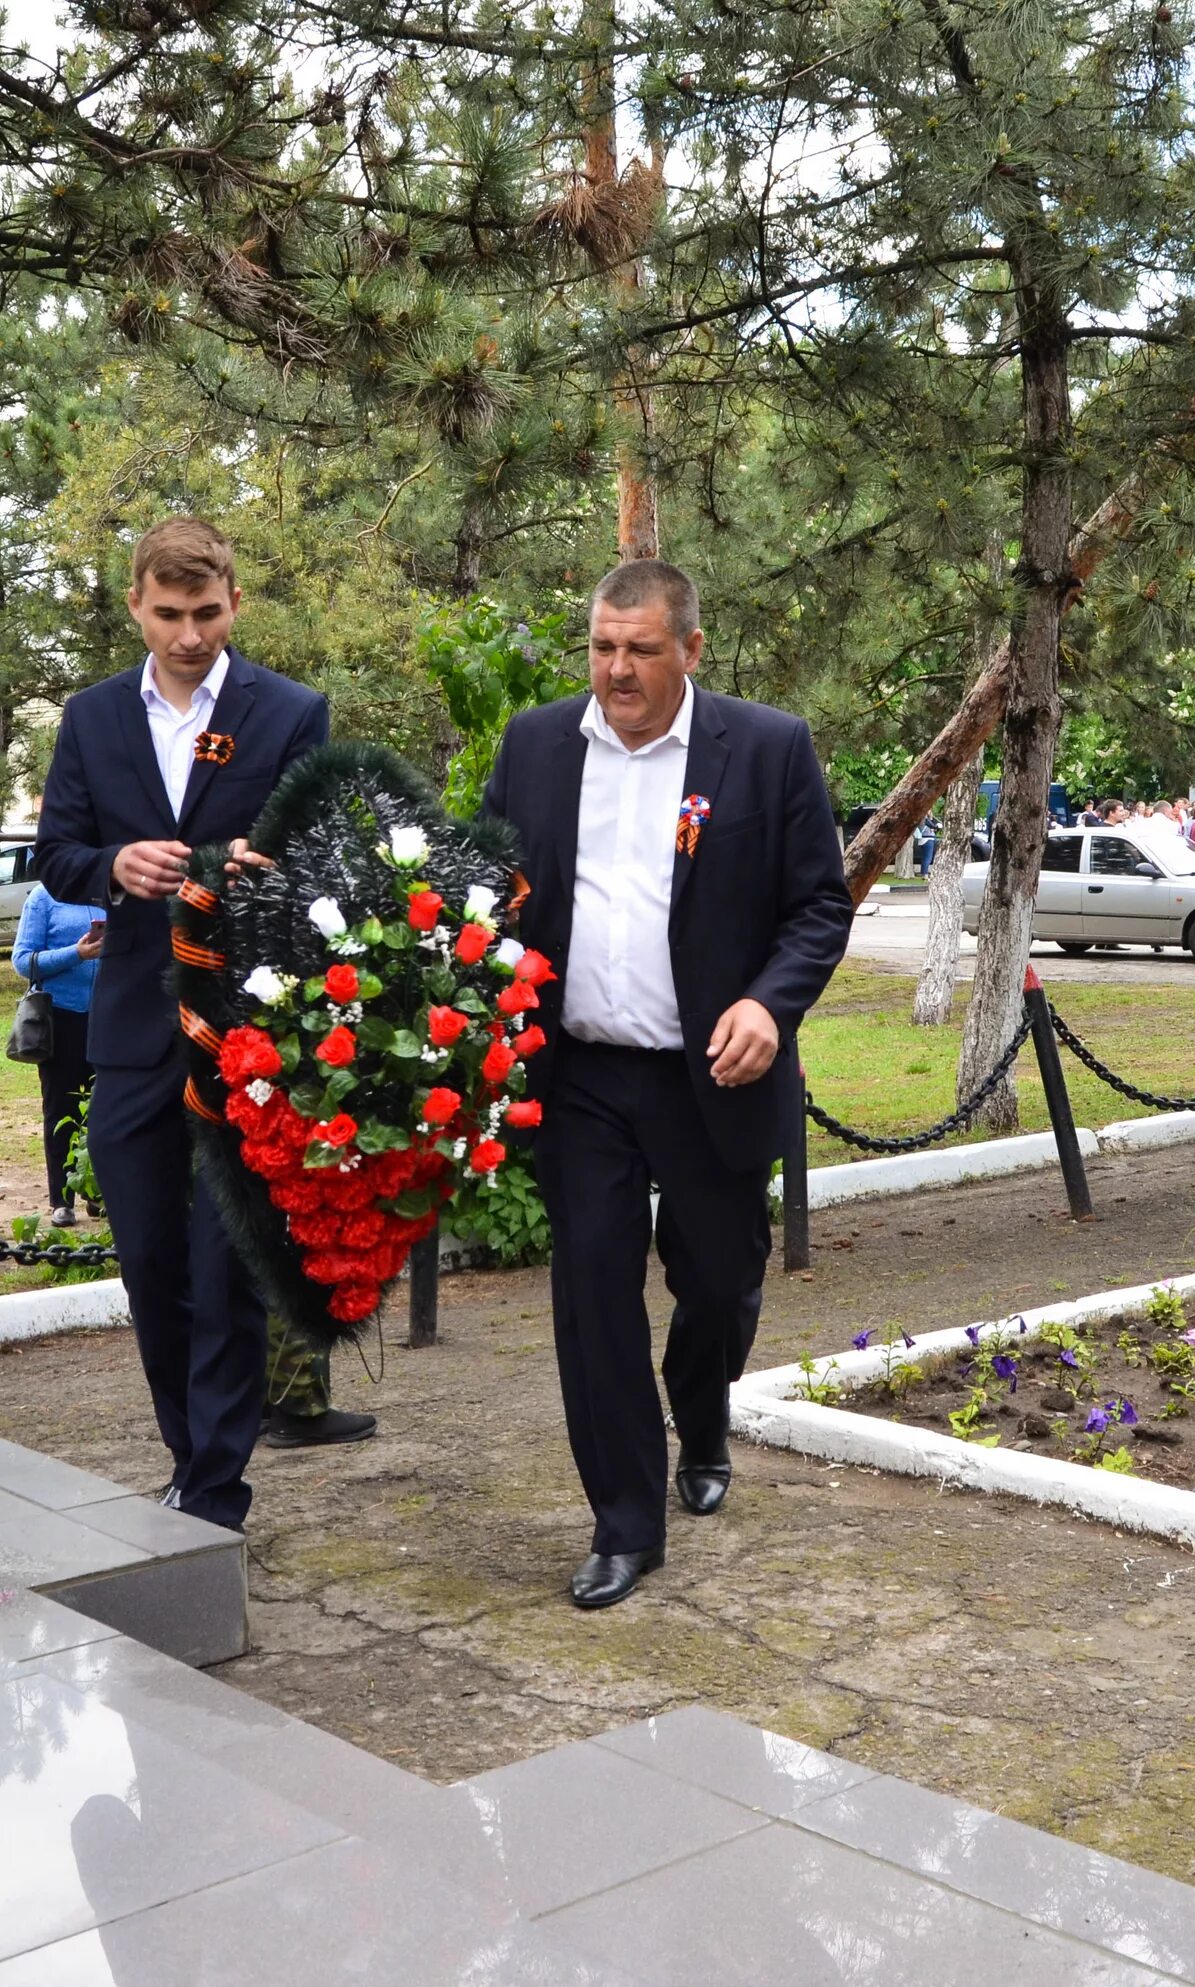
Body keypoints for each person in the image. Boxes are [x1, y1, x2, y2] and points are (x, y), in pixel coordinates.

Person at [480, 558, 852, 1609]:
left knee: (721, 1283)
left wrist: (768, 1006)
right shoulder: (538, 745)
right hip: (583, 1074)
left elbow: (818, 907)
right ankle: (625, 1523)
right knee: (592, 1292)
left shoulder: (766, 749)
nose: (618, 669)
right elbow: (496, 886)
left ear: (690, 649)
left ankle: (703, 1407)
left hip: (714, 1078)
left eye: (642, 648)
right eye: (603, 647)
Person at [34, 518, 333, 1529]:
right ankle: (186, 1457)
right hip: (129, 1032)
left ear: (235, 602)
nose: (190, 634)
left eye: (207, 613)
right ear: (136, 606)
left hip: (245, 1033)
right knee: (153, 1263)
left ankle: (214, 1489)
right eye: (170, 614)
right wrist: (114, 866)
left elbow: (316, 854)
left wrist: (267, 867)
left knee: (226, 1267)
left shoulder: (291, 712)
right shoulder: (92, 719)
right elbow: (57, 852)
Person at [8, 887, 103, 1225]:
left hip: (108, 1018)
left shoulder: (111, 891)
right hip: (59, 1018)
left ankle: (97, 1193)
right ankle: (61, 1199)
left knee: (103, 1109)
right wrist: (75, 954)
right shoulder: (43, 898)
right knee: (60, 1109)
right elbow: (22, 961)